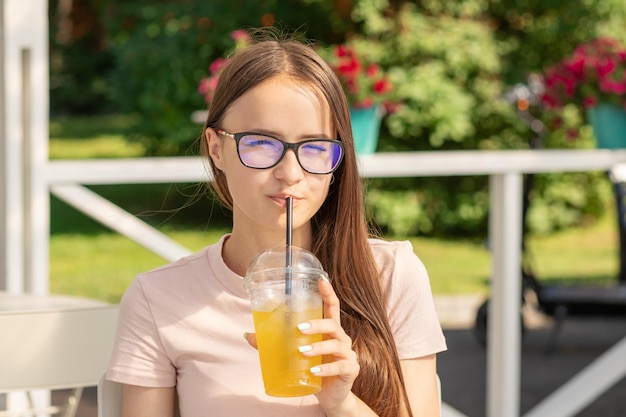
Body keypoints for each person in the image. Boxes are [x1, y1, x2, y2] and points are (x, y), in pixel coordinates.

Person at [106, 29, 447, 417]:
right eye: (261, 144)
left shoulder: (390, 275)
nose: (290, 173)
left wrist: (342, 403)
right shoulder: (158, 299)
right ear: (216, 148)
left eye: (315, 148)